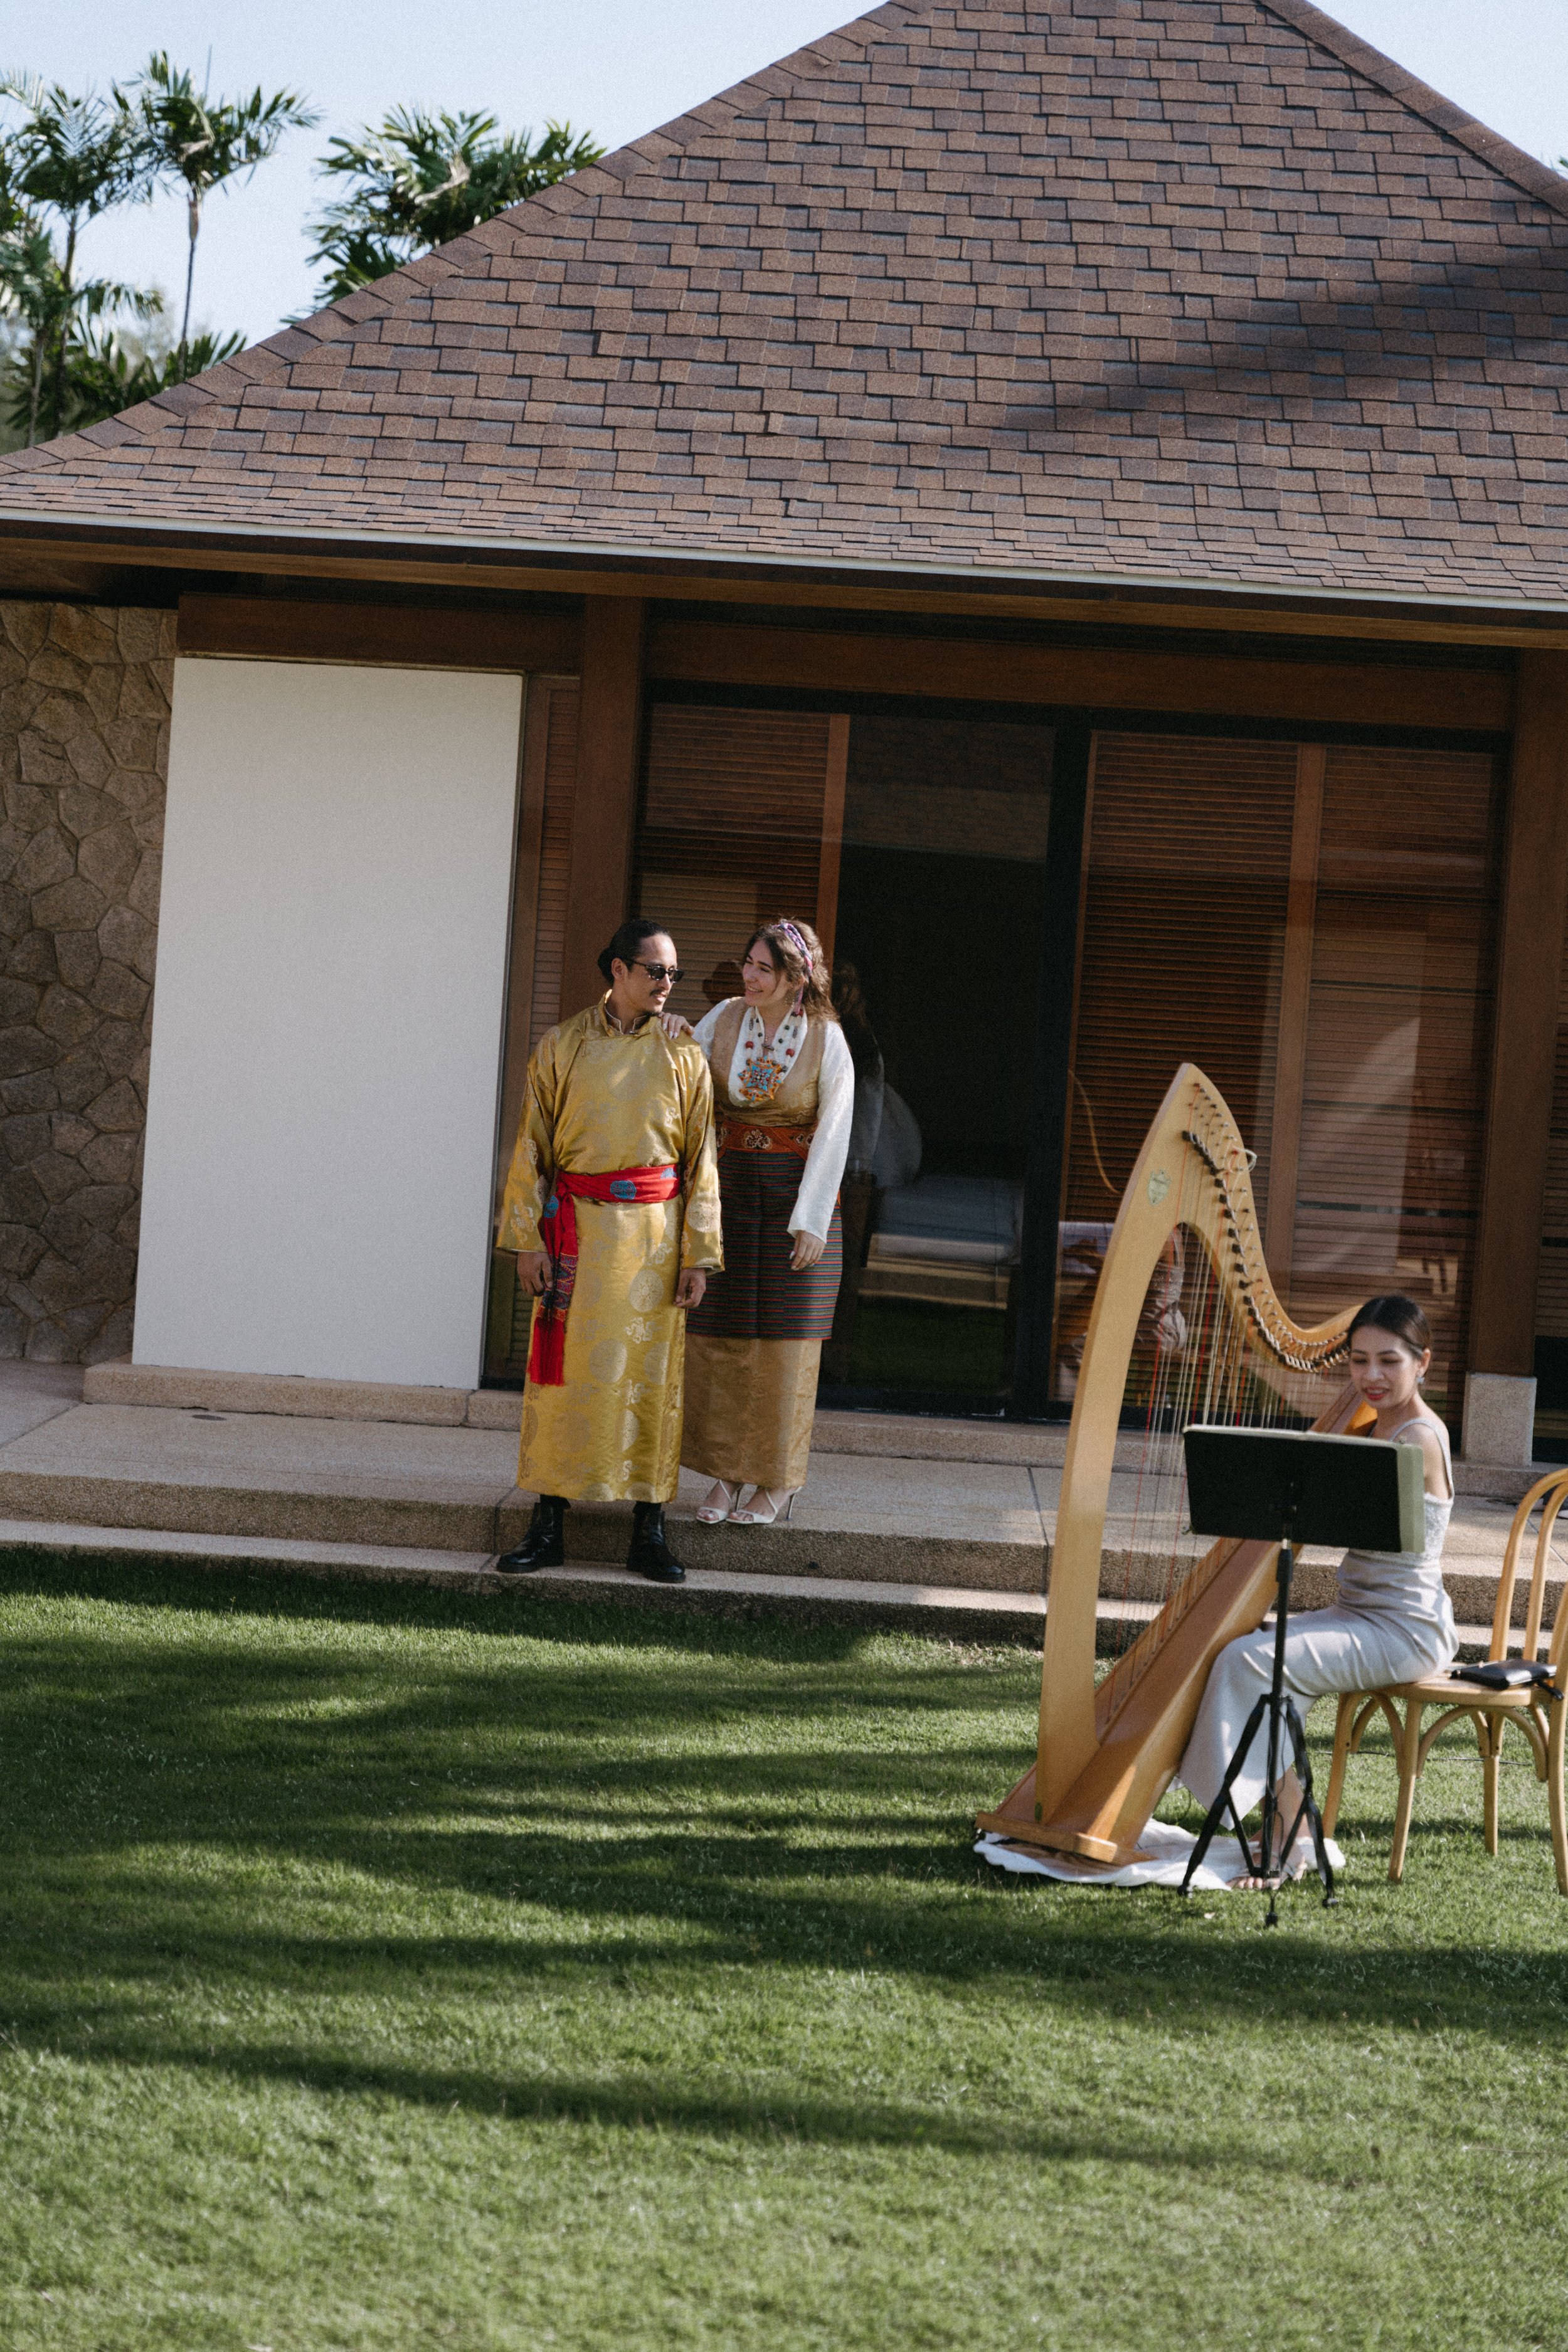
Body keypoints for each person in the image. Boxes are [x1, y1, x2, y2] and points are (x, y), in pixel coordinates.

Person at [1178, 1294, 1458, 1887]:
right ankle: (1291, 1824)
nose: (1371, 1376)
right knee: (1243, 1646)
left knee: (1256, 1659)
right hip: (1359, 1614)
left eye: (1389, 1362)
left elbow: (1374, 1533)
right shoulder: (1376, 1422)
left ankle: (1287, 1837)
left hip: (1404, 1629)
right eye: (1358, 1362)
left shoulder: (1416, 1440)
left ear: (1423, 1362)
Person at [493, 918, 723, 1581]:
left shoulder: (683, 1057)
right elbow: (531, 1146)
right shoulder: (562, 1044)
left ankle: (648, 1530)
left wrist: (697, 1254)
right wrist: (527, 1239)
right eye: (656, 971)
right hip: (576, 1240)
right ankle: (548, 1523)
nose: (667, 984)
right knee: (561, 1383)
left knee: (652, 1383)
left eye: (674, 974)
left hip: (653, 1244)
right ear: (617, 971)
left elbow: (701, 1158)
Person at [679, 917, 854, 1525]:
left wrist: (811, 1220)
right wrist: (672, 1033)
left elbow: (834, 1130)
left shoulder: (826, 1037)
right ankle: (726, 1477)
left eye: (762, 968)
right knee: (721, 1343)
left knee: (784, 1350)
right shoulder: (724, 1017)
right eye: (747, 963)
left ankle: (777, 1483)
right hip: (727, 1196)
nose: (748, 977)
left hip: (794, 1203)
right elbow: (682, 1076)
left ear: (794, 977)